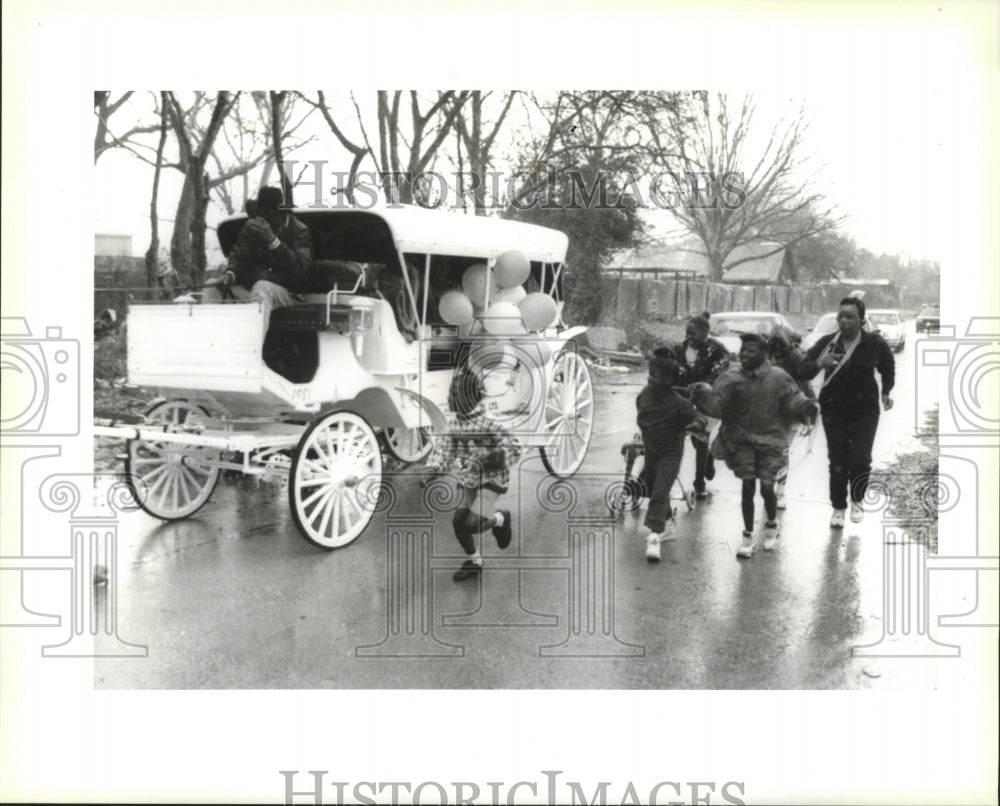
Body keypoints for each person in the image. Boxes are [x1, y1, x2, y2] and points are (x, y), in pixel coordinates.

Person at [690, 333, 819, 558]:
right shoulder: (731, 378)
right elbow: (717, 405)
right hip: (742, 441)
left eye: (751, 351)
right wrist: (701, 393)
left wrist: (806, 406)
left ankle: (771, 524)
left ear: (764, 354)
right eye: (743, 350)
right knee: (747, 487)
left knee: (767, 488)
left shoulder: (779, 378)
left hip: (771, 441)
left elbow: (792, 400)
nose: (745, 355)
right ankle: (747, 536)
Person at [800, 296, 895, 528]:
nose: (844, 321)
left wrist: (886, 392)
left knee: (861, 459)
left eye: (850, 317)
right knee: (838, 460)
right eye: (841, 316)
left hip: (865, 410)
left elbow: (888, 366)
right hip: (835, 410)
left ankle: (857, 501)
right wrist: (820, 364)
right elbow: (803, 370)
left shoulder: (873, 342)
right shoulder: (827, 343)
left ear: (861, 319)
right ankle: (838, 508)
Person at [420, 370, 523, 581]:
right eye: (451, 394)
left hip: (492, 481)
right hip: (469, 482)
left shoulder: (489, 422)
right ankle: (475, 562)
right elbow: (444, 450)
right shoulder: (454, 425)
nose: (452, 399)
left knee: (471, 524)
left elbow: (514, 447)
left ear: (472, 396)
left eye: (457, 395)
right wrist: (433, 469)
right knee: (458, 522)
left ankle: (501, 519)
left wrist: (491, 455)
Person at [204, 186, 313, 339]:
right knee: (212, 288)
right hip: (252, 291)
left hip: (289, 294)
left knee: (262, 287)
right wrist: (230, 274)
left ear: (281, 216)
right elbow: (238, 255)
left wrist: (274, 242)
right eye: (260, 216)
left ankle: (250, 352)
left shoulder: (300, 231)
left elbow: (300, 269)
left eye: (268, 217)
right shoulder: (252, 225)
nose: (262, 222)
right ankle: (210, 346)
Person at [636, 355, 707, 562]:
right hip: (651, 452)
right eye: (650, 374)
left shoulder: (679, 403)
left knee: (659, 491)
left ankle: (654, 538)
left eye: (655, 376)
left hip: (670, 455)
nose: (650, 379)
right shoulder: (644, 395)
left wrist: (697, 425)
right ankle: (668, 524)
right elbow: (640, 411)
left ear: (668, 380)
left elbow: (698, 417)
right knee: (653, 488)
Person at [674, 312, 730, 500]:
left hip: (709, 400)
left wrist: (701, 385)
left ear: (706, 333)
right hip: (686, 399)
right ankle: (709, 457)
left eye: (694, 334)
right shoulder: (680, 349)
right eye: (687, 333)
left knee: (701, 436)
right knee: (695, 440)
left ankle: (699, 484)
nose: (689, 337)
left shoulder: (718, 350)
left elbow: (718, 376)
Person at [767, 329, 816, 509]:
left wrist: (811, 410)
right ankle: (769, 486)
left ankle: (780, 490)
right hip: (768, 408)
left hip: (790, 408)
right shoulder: (765, 356)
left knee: (782, 450)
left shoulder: (794, 357)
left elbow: (806, 380)